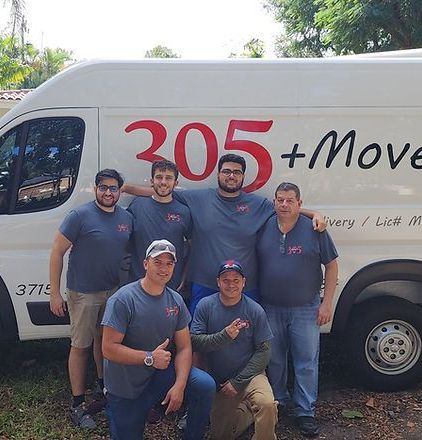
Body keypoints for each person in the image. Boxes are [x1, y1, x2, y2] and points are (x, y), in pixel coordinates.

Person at [123, 153, 326, 315]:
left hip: (245, 287)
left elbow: (285, 209)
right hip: (205, 284)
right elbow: (161, 191)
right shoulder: (198, 198)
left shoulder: (258, 204)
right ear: (218, 174)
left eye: (236, 172)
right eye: (226, 171)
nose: (231, 176)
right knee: (200, 340)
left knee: (244, 341)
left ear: (243, 177)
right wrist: (124, 188)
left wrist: (315, 213)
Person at [101, 239, 215, 440]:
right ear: (145, 264)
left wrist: (179, 386)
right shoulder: (123, 300)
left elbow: (184, 348)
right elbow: (108, 349)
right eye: (158, 262)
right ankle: (128, 412)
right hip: (126, 386)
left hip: (160, 375)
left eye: (169, 263)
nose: (164, 268)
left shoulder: (175, 299)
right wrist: (149, 357)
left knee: (204, 385)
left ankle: (192, 434)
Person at [49, 169, 133, 429]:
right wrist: (54, 293)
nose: (108, 192)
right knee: (81, 346)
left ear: (120, 190)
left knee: (103, 342)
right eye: (103, 187)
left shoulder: (126, 218)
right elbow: (57, 252)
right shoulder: (80, 216)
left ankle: (102, 388)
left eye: (113, 188)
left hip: (112, 292)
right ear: (96, 189)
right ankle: (77, 405)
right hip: (83, 293)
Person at [257, 182, 338, 438]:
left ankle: (305, 412)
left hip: (306, 307)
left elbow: (332, 265)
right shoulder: (264, 225)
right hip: (270, 307)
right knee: (276, 360)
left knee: (306, 362)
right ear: (274, 202)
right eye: (280, 200)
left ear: (299, 204)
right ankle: (278, 403)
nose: (284, 205)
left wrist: (327, 303)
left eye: (290, 200)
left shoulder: (315, 229)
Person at [191, 260, 277, 440]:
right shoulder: (205, 306)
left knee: (267, 405)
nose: (231, 284)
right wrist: (224, 336)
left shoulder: (254, 310)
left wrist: (238, 382)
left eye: (236, 280)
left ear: (244, 282)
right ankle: (246, 413)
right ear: (218, 282)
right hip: (221, 380)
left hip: (251, 375)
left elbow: (264, 350)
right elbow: (195, 342)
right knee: (221, 435)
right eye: (226, 280)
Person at [127, 159, 191, 291]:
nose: (163, 182)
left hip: (171, 285)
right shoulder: (137, 205)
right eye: (159, 177)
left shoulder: (184, 211)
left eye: (168, 178)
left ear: (176, 183)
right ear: (152, 181)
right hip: (138, 284)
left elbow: (191, 246)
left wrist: (184, 276)